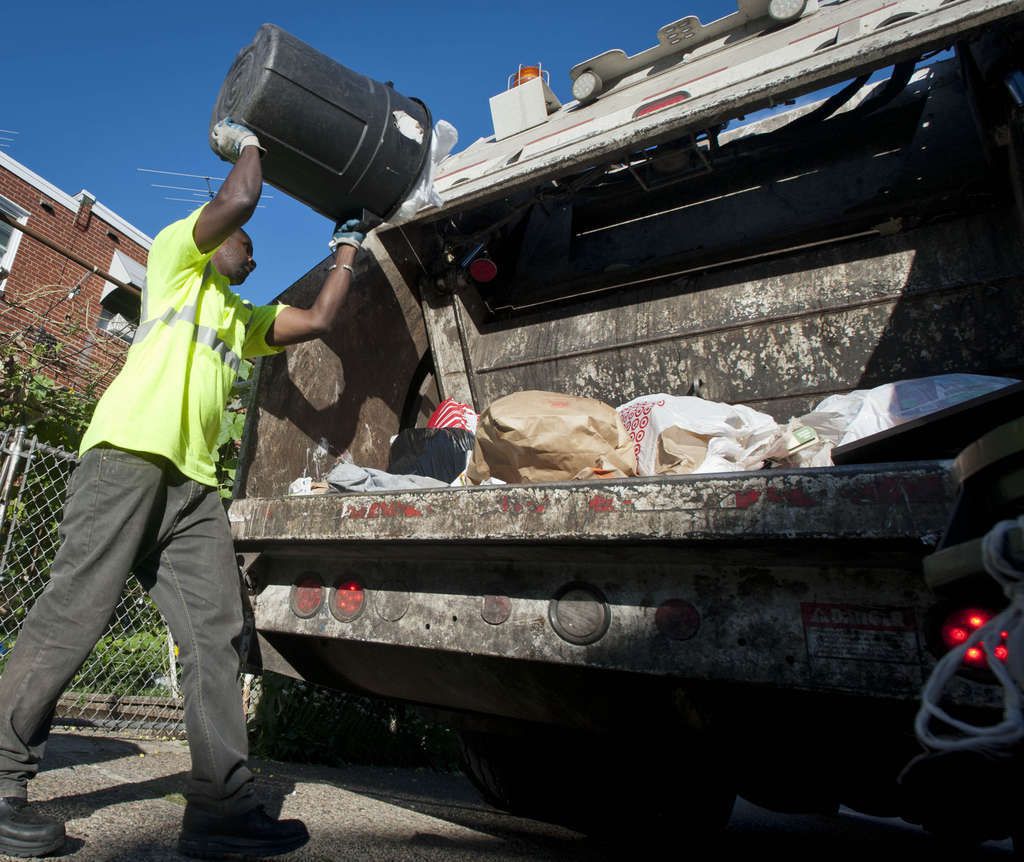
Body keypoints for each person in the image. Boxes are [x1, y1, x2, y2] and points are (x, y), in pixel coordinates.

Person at [0, 119, 366, 859]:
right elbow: (239, 203)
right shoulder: (173, 258)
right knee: (76, 610)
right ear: (210, 234)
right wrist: (252, 142)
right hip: (127, 458)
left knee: (217, 635)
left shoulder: (244, 318)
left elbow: (324, 316)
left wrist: (348, 244)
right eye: (243, 242)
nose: (252, 252)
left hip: (194, 492)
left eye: (256, 252)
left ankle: (221, 808)